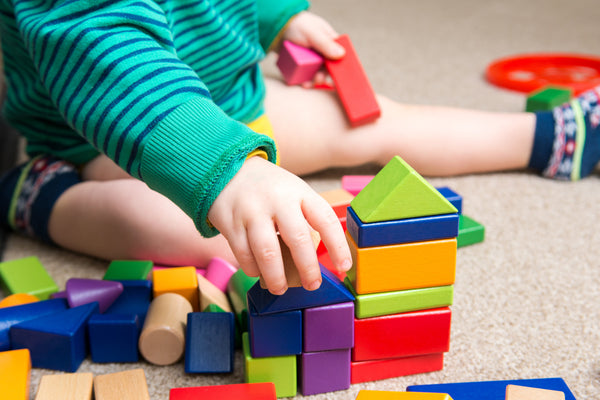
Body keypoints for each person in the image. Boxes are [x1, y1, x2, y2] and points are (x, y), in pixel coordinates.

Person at [0, 1, 598, 296]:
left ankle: (547, 140)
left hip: (235, 101)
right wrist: (227, 171)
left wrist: (280, 17)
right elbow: (104, 49)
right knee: (186, 229)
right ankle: (42, 195)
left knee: (366, 119)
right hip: (113, 137)